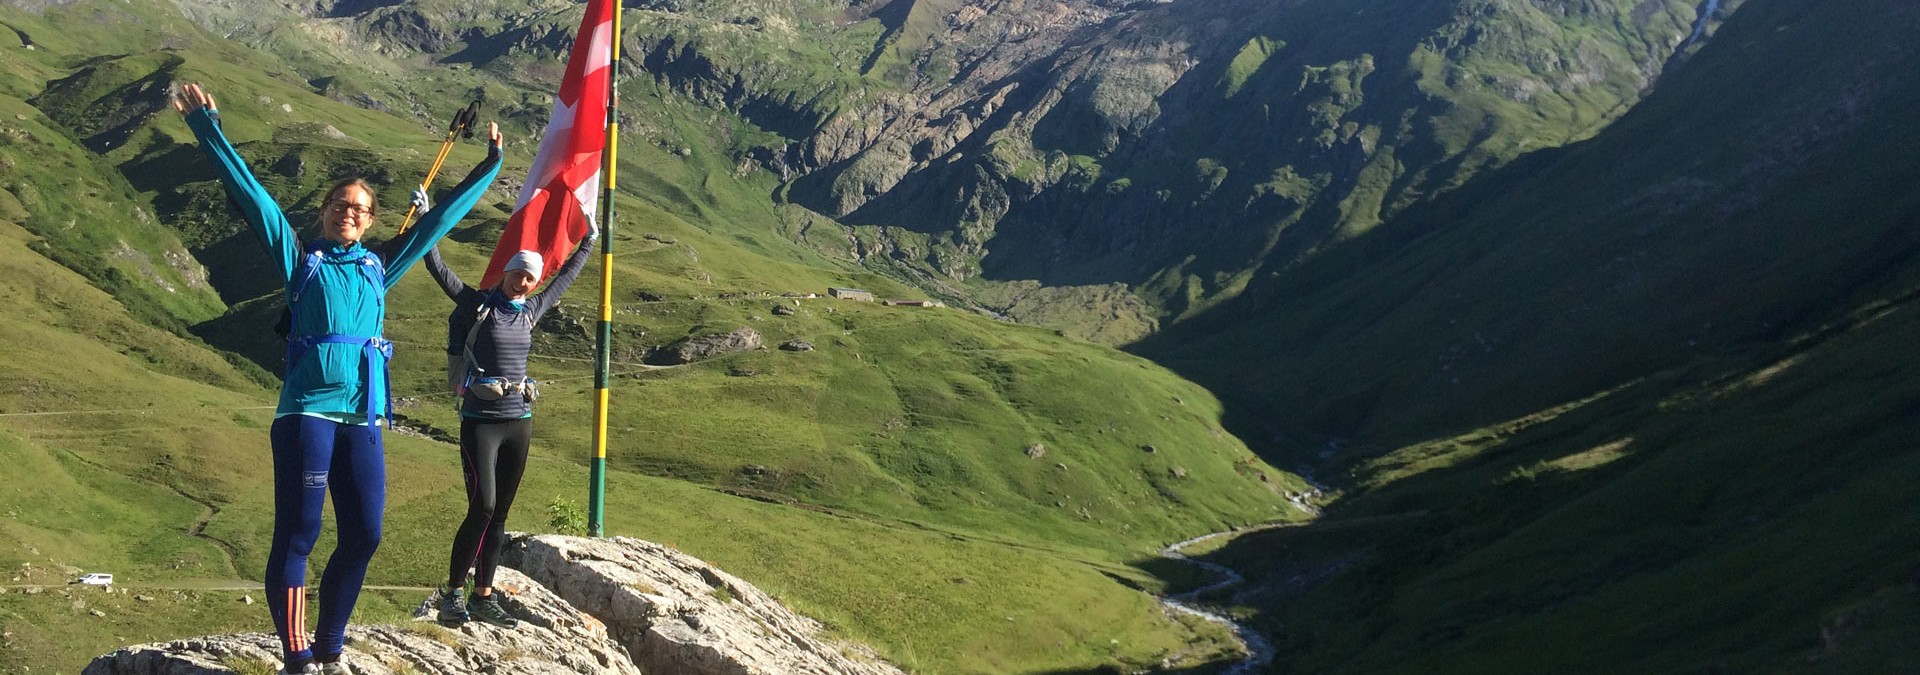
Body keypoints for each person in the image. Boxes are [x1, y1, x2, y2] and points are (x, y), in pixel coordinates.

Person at [173, 83, 503, 674]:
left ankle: (330, 645)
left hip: (364, 414)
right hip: (306, 410)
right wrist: (209, 128)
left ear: (371, 220)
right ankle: (297, 655)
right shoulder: (303, 262)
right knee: (300, 531)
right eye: (339, 204)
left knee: (366, 534)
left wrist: (490, 166)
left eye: (360, 208)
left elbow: (440, 223)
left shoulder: (382, 265)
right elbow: (252, 198)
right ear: (324, 212)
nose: (349, 211)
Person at [421, 221, 595, 626]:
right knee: (481, 507)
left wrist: (588, 241)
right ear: (506, 272)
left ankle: (483, 597)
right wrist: (429, 222)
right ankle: (452, 593)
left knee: (499, 515)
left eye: (530, 278)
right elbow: (438, 269)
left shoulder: (532, 309)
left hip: (519, 421)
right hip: (481, 422)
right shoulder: (478, 305)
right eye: (518, 273)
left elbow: (566, 276)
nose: (523, 282)